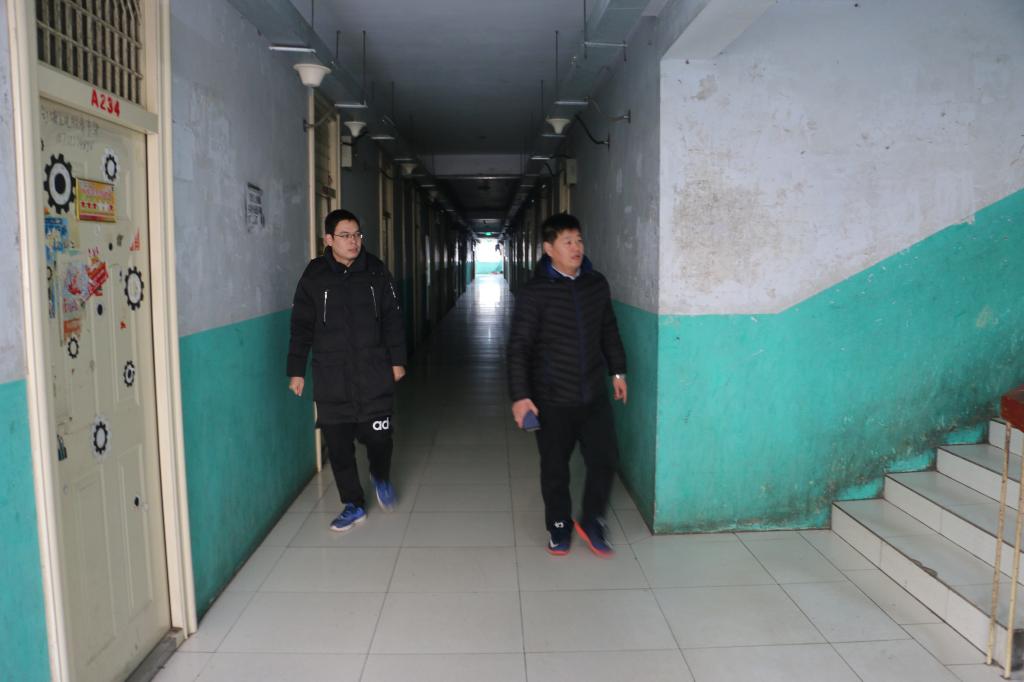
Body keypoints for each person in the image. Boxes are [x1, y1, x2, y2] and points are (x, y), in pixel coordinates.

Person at [507, 212, 628, 557]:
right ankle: (558, 524)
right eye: (567, 242)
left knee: (605, 459)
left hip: (593, 394)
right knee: (555, 468)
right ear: (549, 249)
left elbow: (608, 330)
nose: (576, 248)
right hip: (552, 397)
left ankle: (592, 519)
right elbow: (519, 347)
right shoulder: (534, 293)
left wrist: (618, 371)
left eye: (579, 240)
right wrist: (520, 396)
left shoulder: (596, 284)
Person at [286, 209, 407, 532]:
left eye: (357, 235)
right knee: (339, 447)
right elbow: (301, 326)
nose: (353, 242)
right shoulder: (314, 276)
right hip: (332, 376)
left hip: (373, 372)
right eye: (345, 236)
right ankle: (353, 504)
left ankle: (380, 476)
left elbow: (393, 318)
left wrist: (397, 360)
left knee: (380, 439)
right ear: (328, 239)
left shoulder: (376, 272)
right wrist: (296, 370)